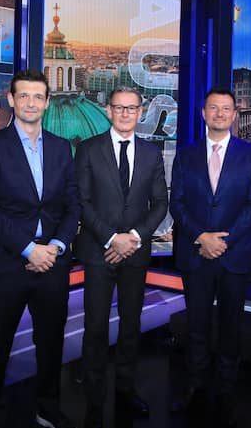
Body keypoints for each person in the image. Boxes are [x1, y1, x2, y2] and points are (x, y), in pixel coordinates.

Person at [0, 69, 81, 428]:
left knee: (51, 343)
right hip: (6, 264)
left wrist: (56, 246)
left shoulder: (61, 148)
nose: (31, 103)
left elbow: (73, 205)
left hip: (52, 262)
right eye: (24, 96)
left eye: (38, 96)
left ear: (47, 102)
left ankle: (47, 407)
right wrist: (27, 249)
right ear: (11, 100)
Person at [168, 87, 251, 428]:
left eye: (226, 108)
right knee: (196, 325)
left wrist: (223, 240)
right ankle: (196, 386)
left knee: (230, 326)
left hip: (233, 255)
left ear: (235, 115)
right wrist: (201, 236)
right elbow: (177, 204)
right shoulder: (185, 156)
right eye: (213, 108)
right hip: (195, 253)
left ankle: (226, 391)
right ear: (203, 113)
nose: (220, 113)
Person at [74, 86, 169, 428]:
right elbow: (81, 201)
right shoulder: (88, 149)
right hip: (99, 252)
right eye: (119, 107)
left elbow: (160, 202)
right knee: (95, 327)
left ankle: (126, 392)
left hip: (136, 253)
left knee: (131, 326)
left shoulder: (151, 153)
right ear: (108, 110)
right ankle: (94, 399)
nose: (125, 113)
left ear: (141, 112)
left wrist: (134, 238)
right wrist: (112, 238)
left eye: (131, 108)